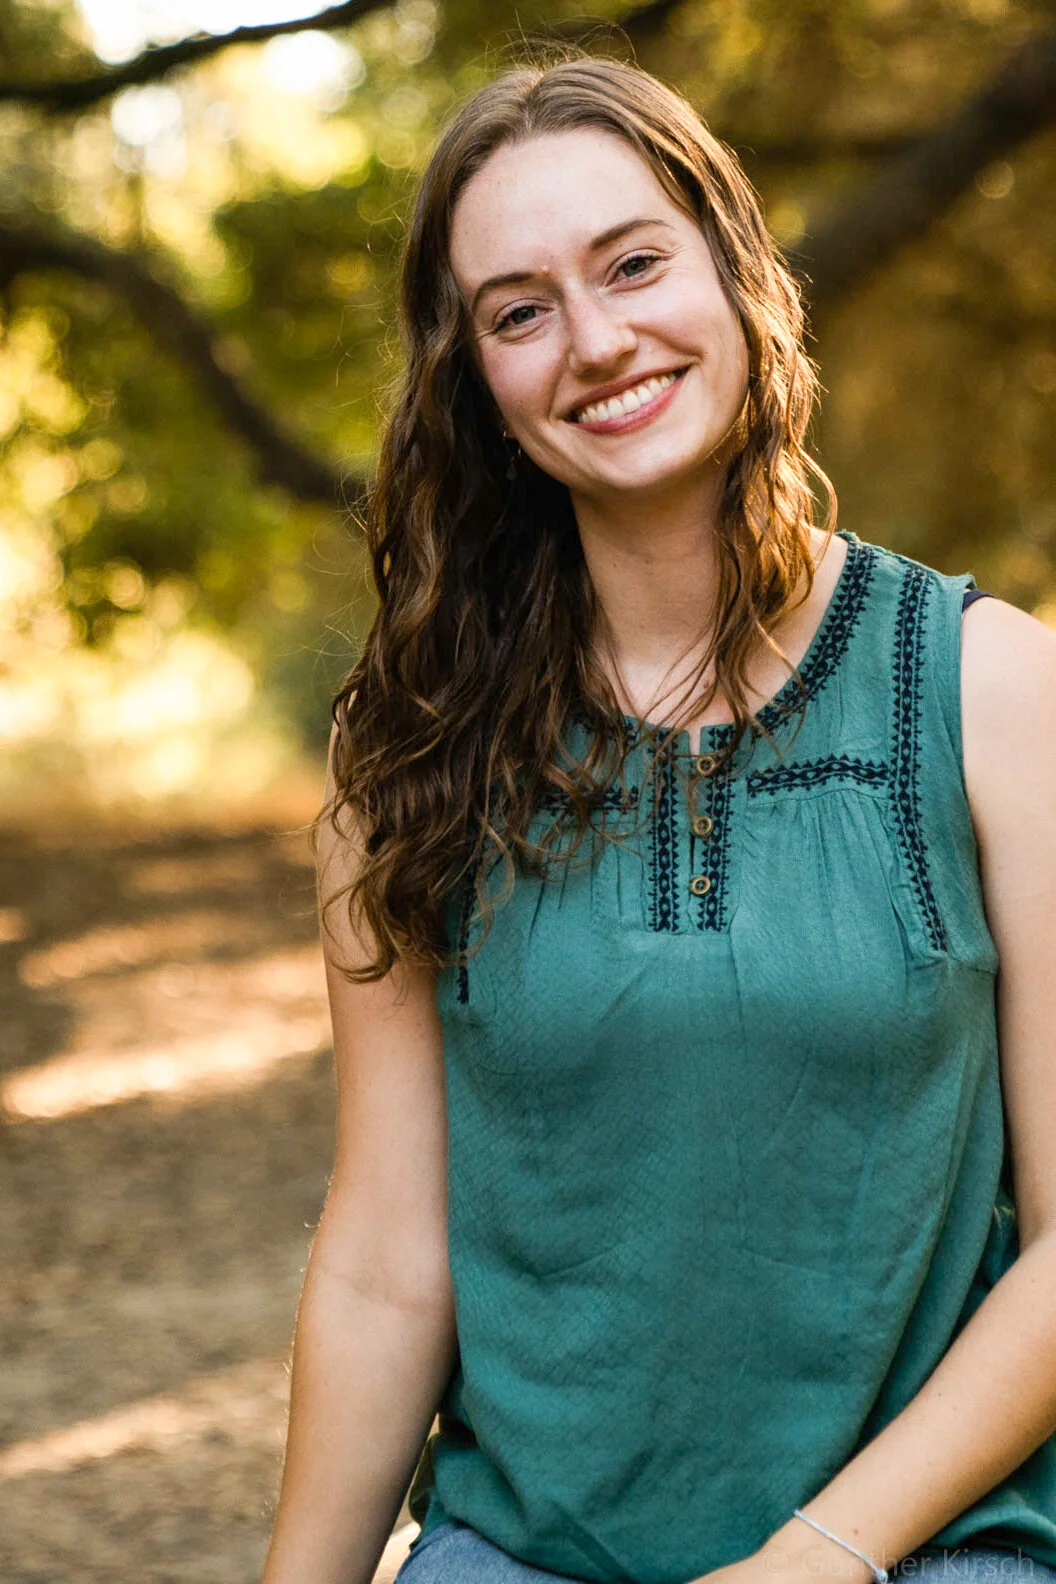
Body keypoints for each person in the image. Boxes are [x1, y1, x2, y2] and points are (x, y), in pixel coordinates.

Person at [260, 50, 1056, 1584]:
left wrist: (815, 1560)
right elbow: (384, 1266)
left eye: (634, 264)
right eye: (520, 309)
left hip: (924, 1548)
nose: (598, 340)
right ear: (473, 385)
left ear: (739, 270)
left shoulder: (996, 690)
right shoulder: (410, 754)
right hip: (524, 1549)